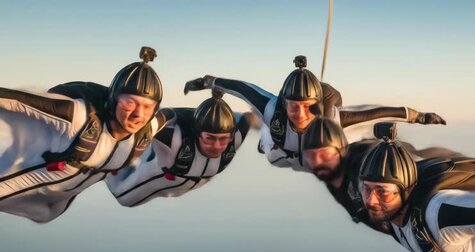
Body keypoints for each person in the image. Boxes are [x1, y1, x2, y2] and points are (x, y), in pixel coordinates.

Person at [184, 55, 446, 171]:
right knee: (272, 150)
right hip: (281, 152)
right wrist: (207, 82)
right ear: (284, 103)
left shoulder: (329, 118)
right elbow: (241, 88)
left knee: (349, 144)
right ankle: (264, 140)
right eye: (293, 105)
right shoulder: (272, 109)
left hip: (313, 153)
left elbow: (374, 111)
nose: (300, 113)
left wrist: (419, 116)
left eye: (308, 106)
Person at [0, 47, 168, 222]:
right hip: (29, 175)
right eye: (129, 103)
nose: (138, 114)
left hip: (58, 199)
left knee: (45, 215)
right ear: (113, 100)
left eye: (148, 107)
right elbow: (16, 100)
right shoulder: (80, 117)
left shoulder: (147, 131)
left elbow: (173, 116)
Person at [301, 118, 475, 233]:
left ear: (341, 150)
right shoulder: (332, 177)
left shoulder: (361, 162)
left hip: (427, 163)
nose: (317, 163)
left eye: (324, 155)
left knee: (435, 180)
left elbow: (378, 158)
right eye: (311, 156)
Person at [106, 90, 252, 207]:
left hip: (186, 182)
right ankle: (110, 167)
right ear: (197, 133)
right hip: (159, 175)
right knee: (123, 197)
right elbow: (155, 119)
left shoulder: (236, 138)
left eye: (223, 139)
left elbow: (250, 117)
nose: (217, 146)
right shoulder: (176, 137)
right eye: (210, 138)